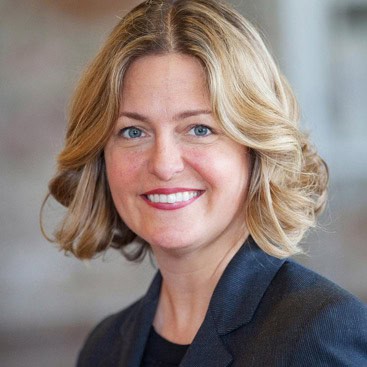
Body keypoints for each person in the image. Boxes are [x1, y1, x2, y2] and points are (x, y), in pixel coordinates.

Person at [41, 0, 367, 365]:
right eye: (133, 131)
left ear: (255, 149)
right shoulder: (103, 348)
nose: (164, 165)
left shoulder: (317, 333)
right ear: (101, 155)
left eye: (199, 129)